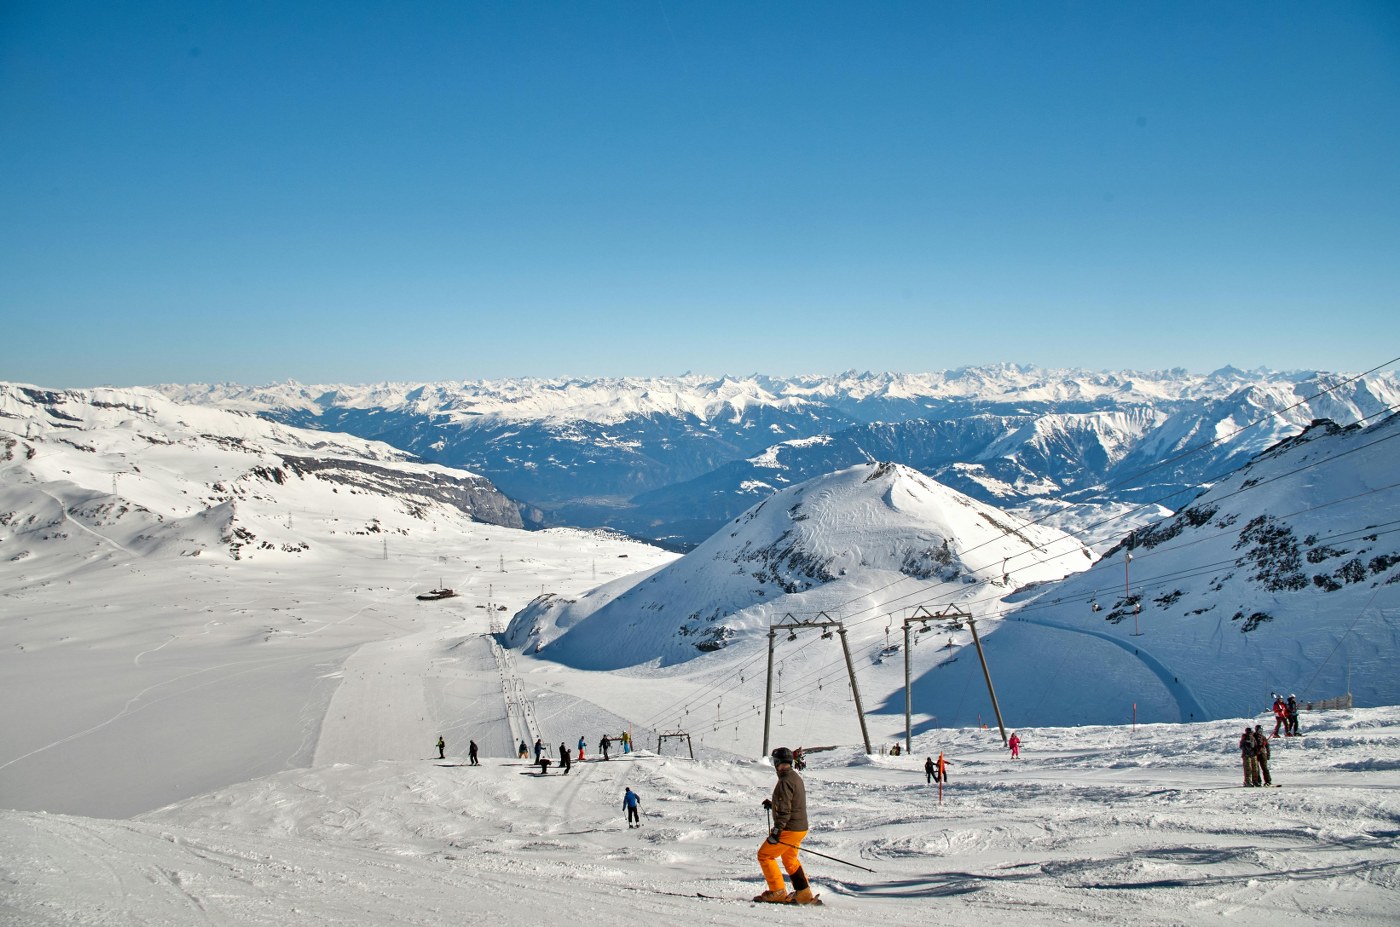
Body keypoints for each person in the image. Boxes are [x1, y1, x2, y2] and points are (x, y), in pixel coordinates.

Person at [755, 746, 817, 904]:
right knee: (789, 859)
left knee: (765, 855)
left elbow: (785, 812)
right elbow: (789, 802)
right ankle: (803, 892)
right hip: (800, 828)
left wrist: (776, 831)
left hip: (789, 828)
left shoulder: (784, 781)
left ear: (777, 762)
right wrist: (773, 804)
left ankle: (777, 891)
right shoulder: (794, 777)